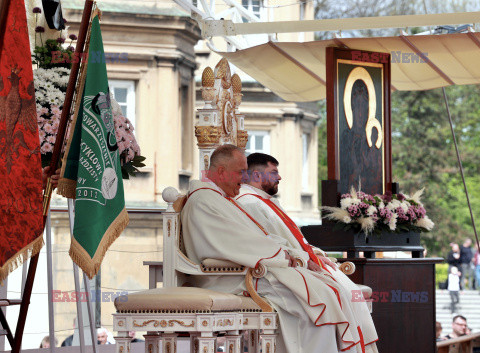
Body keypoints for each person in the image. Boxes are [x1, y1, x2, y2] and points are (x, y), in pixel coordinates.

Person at [181, 144, 378, 353]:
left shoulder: (218, 198)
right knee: (317, 301)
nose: (243, 178)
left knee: (325, 293)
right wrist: (283, 255)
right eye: (240, 172)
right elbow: (235, 242)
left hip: (251, 268)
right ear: (221, 171)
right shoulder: (204, 200)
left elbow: (256, 236)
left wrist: (292, 253)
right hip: (232, 276)